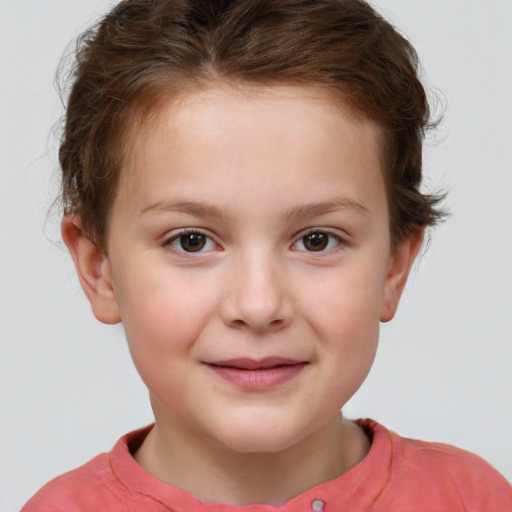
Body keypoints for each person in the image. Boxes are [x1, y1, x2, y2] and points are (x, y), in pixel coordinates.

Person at [21, 0, 512, 510]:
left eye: (317, 240)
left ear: (394, 267)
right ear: (98, 269)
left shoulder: (473, 499)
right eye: (191, 240)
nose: (258, 306)